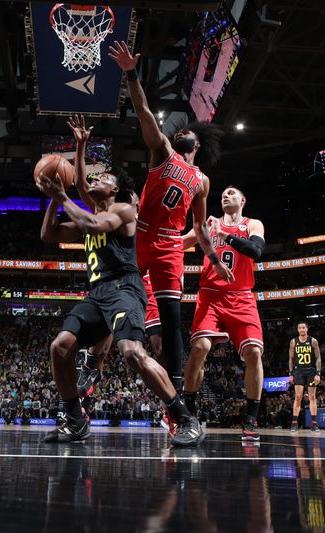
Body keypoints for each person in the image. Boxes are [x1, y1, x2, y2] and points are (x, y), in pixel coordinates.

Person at [37, 129, 202, 446]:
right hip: (97, 294)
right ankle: (75, 421)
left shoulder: (123, 211)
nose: (95, 181)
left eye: (103, 179)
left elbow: (94, 225)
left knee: (131, 352)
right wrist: (52, 201)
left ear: (116, 189)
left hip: (126, 289)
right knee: (59, 347)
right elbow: (49, 234)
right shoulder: (92, 213)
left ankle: (185, 417)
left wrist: (62, 197)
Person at [109, 41, 233, 409]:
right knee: (113, 294)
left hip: (168, 246)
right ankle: (94, 358)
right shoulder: (161, 150)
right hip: (139, 236)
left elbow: (201, 227)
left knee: (172, 321)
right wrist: (131, 73)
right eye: (177, 132)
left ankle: (177, 397)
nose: (180, 134)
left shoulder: (202, 181)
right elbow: (144, 110)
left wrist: (215, 259)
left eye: (186, 133)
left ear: (198, 142)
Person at [181, 186, 266, 441]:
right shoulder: (208, 222)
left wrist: (225, 236)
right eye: (222, 195)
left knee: (253, 352)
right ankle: (189, 410)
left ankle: (251, 418)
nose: (225, 196)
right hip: (210, 295)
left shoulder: (253, 224)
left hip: (241, 296)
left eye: (231, 193)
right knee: (200, 347)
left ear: (242, 200)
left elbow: (256, 252)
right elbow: (182, 243)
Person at [289, 322, 322, 432]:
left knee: (312, 397)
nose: (302, 329)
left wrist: (318, 373)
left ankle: (314, 423)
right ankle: (294, 423)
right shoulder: (294, 341)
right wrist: (290, 373)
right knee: (298, 397)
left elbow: (318, 358)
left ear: (307, 329)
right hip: (298, 372)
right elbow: (291, 359)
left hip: (311, 372)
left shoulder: (313, 341)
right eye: (300, 328)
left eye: (303, 327)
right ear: (298, 330)